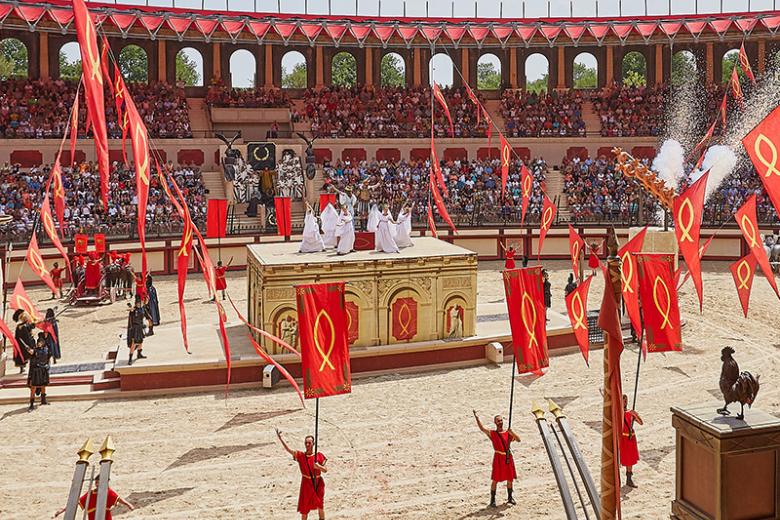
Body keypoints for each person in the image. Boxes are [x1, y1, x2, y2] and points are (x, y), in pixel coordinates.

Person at [276, 429, 328, 520]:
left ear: (313, 444)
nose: (307, 445)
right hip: (306, 484)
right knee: (304, 508)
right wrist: (281, 439)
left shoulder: (319, 455)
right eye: (306, 443)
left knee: (320, 506)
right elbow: (289, 450)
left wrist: (318, 467)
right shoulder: (301, 456)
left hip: (318, 483)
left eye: (309, 443)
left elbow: (325, 470)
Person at [473, 410, 519, 507]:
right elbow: (482, 428)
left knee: (510, 478)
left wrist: (512, 432)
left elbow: (518, 440)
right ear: (495, 422)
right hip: (498, 458)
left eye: (501, 420)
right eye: (498, 421)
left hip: (507, 457)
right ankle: (492, 500)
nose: (500, 422)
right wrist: (477, 418)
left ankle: (510, 497)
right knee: (495, 479)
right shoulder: (492, 434)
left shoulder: (508, 433)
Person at [54, 473, 135, 519]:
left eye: (98, 482)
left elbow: (119, 499)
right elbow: (76, 502)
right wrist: (63, 510)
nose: (96, 484)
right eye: (96, 482)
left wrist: (129, 504)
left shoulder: (108, 492)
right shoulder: (90, 494)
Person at [620, 394, 643, 488]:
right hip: (622, 438)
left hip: (630, 438)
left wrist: (635, 415)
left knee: (630, 459)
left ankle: (629, 479)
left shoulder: (630, 412)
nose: (625, 402)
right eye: (623, 401)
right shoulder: (617, 413)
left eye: (626, 400)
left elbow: (641, 423)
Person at [27, 333, 51, 411]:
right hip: (36, 371)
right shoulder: (35, 350)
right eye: (38, 342)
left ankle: (43, 400)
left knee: (43, 385)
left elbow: (48, 359)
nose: (39, 343)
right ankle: (31, 404)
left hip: (43, 369)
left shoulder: (47, 349)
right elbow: (31, 352)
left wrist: (47, 366)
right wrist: (28, 349)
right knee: (33, 387)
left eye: (41, 342)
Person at [126, 296, 151, 365]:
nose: (139, 304)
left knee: (140, 341)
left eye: (140, 303)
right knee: (134, 343)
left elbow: (146, 315)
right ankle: (130, 358)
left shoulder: (142, 309)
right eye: (138, 303)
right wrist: (131, 309)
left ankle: (139, 354)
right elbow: (130, 310)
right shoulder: (134, 310)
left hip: (140, 327)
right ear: (136, 303)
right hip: (135, 328)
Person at [13, 309, 36, 374]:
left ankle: (24, 368)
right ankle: (25, 368)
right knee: (28, 355)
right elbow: (24, 336)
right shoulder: (23, 326)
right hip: (25, 343)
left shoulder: (22, 325)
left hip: (24, 343)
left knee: (24, 356)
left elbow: (31, 326)